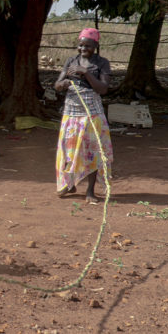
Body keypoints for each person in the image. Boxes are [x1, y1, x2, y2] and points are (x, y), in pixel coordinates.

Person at [54, 28, 114, 204]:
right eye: (80, 45)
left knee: (93, 151)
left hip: (92, 113)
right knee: (69, 149)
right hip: (71, 112)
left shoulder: (101, 63)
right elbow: (56, 85)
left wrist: (85, 72)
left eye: (87, 46)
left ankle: (90, 191)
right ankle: (69, 183)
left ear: (95, 45)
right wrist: (62, 84)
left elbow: (103, 89)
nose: (82, 49)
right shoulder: (71, 61)